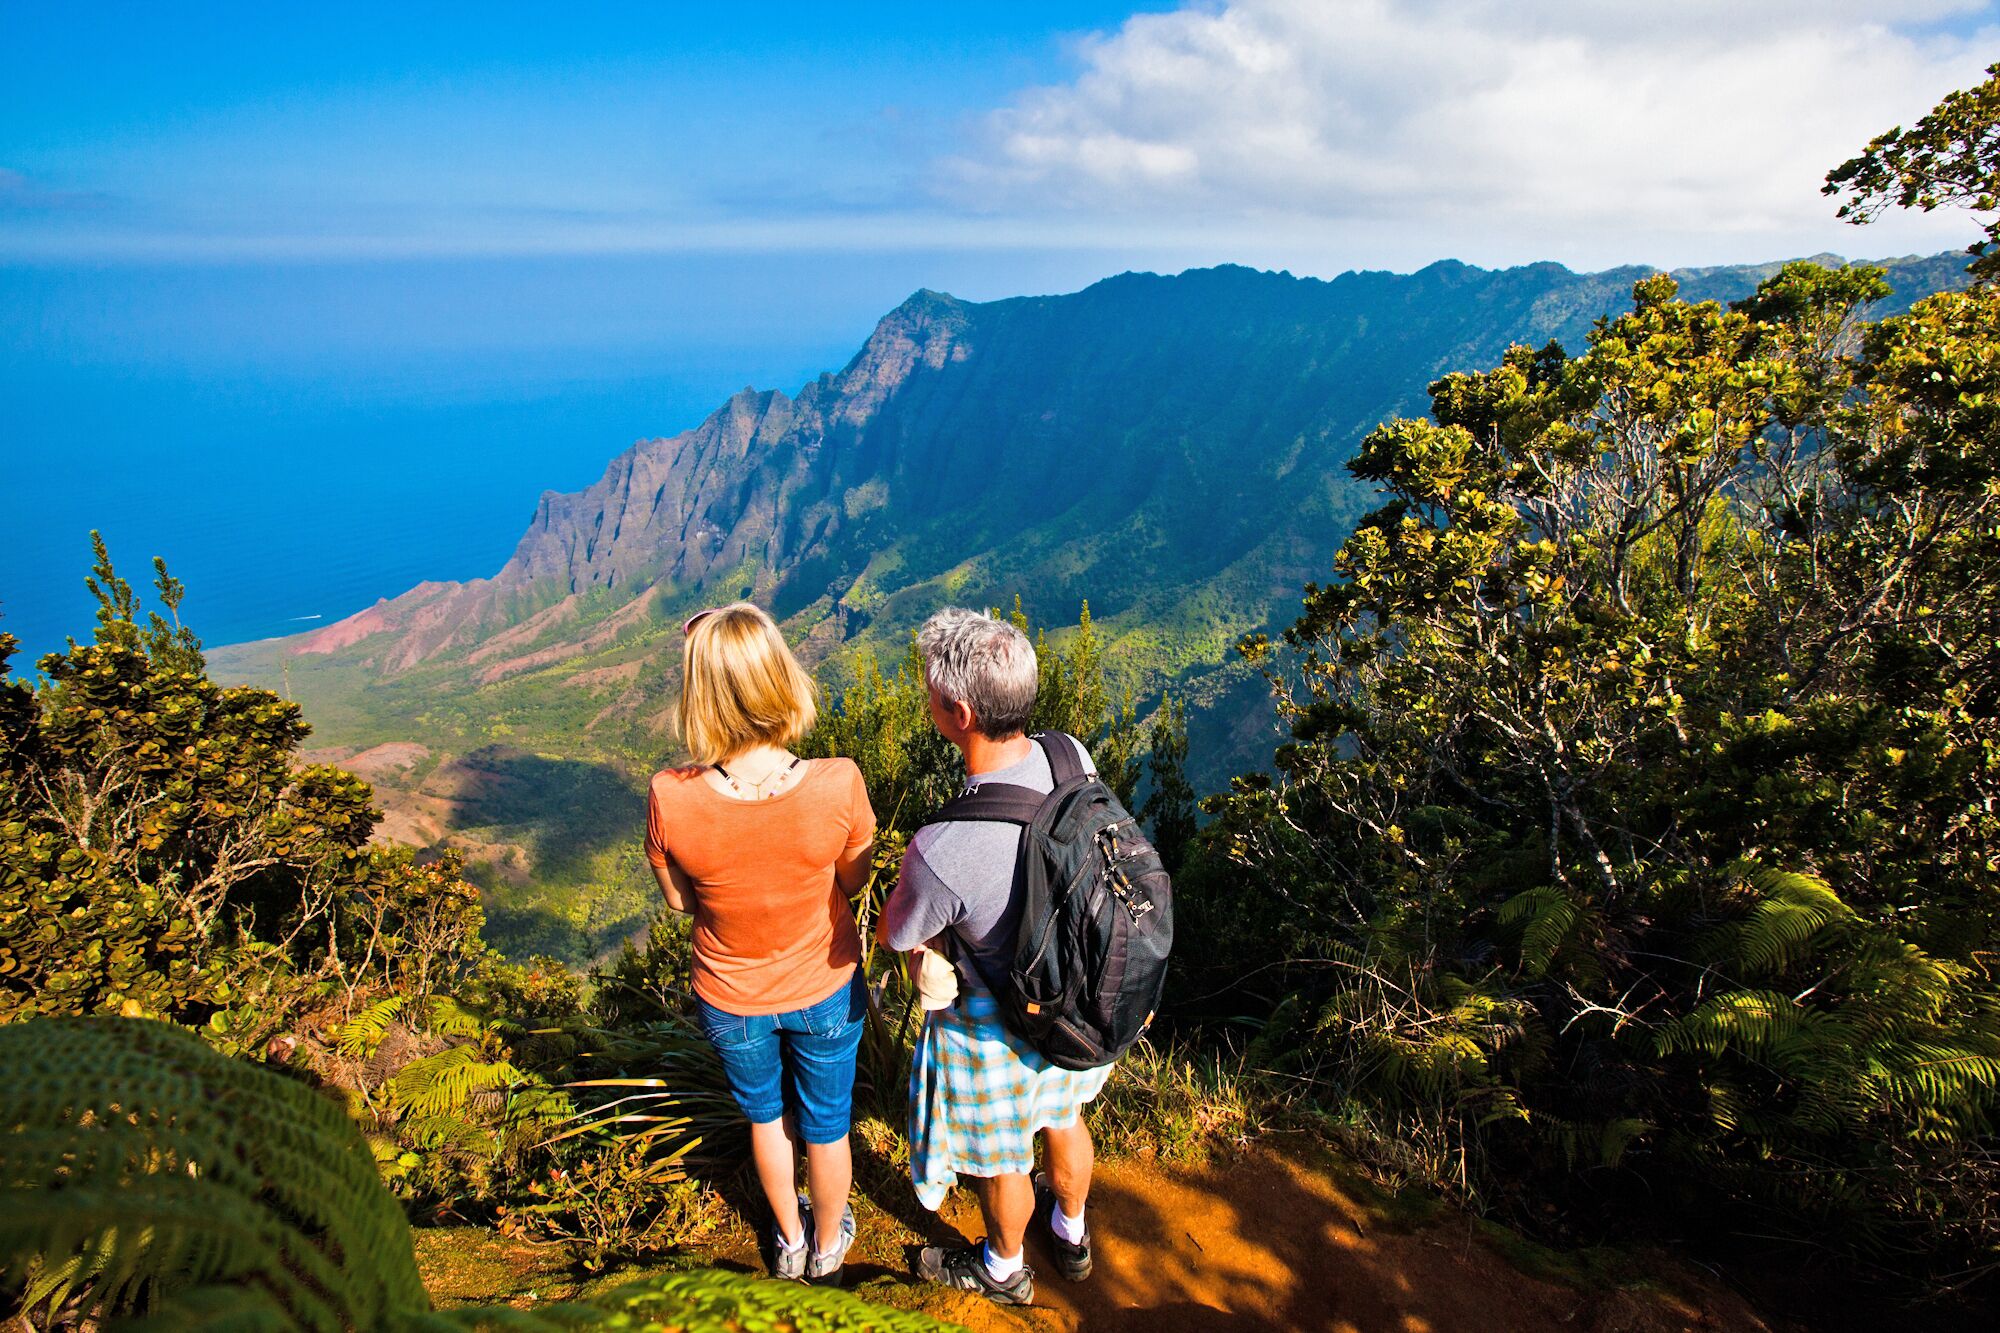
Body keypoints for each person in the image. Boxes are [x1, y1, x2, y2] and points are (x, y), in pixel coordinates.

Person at [881, 607, 1113, 1307]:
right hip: (1083, 997)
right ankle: (1071, 1234)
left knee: (1005, 1157)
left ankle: (1005, 1268)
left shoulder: (943, 847)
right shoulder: (1072, 753)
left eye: (930, 692)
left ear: (957, 711)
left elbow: (897, 932)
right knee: (1067, 1116)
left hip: (1005, 1029)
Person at [644, 602, 875, 1286]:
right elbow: (855, 880)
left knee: (766, 1118)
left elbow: (680, 899)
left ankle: (791, 1240)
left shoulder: (670, 795)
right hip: (825, 985)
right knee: (828, 1124)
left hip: (730, 995)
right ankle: (830, 1248)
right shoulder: (838, 782)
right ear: (781, 676)